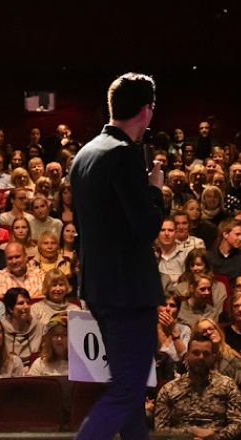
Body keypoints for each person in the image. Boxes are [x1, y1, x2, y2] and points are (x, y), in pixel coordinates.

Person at [67, 73, 163, 440]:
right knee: (127, 390)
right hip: (129, 292)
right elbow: (146, 227)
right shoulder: (123, 156)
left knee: (131, 391)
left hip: (100, 287)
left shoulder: (85, 153)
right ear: (146, 111)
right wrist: (154, 190)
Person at [153, 332, 241, 440]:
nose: (201, 357)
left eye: (206, 354)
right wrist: (191, 434)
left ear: (213, 357)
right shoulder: (169, 389)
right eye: (196, 353)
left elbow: (238, 425)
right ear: (187, 356)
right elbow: (160, 430)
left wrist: (213, 437)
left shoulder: (227, 385)